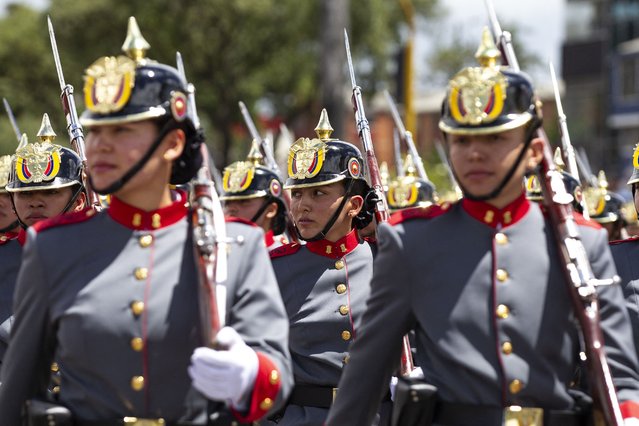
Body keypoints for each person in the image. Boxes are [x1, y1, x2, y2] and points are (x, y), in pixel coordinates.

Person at [326, 29, 639, 425]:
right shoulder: (413, 242)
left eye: (494, 138)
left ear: (535, 151)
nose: (474, 152)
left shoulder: (582, 241)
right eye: (461, 139)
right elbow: (363, 381)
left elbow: (619, 377)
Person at [0, 17, 292, 425]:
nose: (100, 144)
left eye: (121, 130)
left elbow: (277, 377)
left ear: (173, 142)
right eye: (96, 130)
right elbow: (17, 396)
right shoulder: (52, 248)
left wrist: (252, 376)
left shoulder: (236, 245)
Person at [266, 109, 383, 426]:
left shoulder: (386, 261)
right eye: (298, 193)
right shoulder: (275, 269)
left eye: (319, 193)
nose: (302, 205)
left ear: (354, 205)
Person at [0, 114, 87, 370]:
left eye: (50, 192)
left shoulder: (107, 255)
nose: (35, 201)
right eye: (25, 193)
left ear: (79, 201)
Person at [221, 140, 289, 249]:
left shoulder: (284, 259)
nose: (231, 209)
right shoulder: (219, 254)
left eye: (244, 202)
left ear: (271, 210)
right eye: (228, 203)